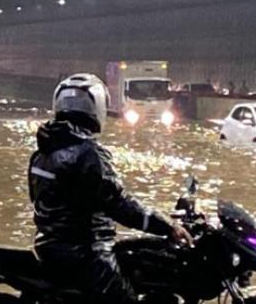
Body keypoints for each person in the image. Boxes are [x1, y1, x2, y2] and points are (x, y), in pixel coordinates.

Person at [27, 74, 194, 304]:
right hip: (87, 253)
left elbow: (39, 199)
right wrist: (166, 225)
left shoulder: (44, 150)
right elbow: (119, 204)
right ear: (97, 107)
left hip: (50, 246)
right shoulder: (88, 153)